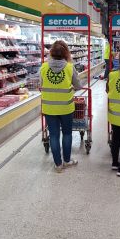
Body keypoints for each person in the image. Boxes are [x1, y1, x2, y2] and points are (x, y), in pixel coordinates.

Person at [40, 40, 82, 173]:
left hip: (49, 107)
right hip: (66, 107)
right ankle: (67, 160)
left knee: (53, 135)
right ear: (66, 53)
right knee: (67, 133)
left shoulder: (44, 67)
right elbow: (78, 86)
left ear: (51, 52)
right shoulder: (70, 67)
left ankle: (58, 164)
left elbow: (41, 86)